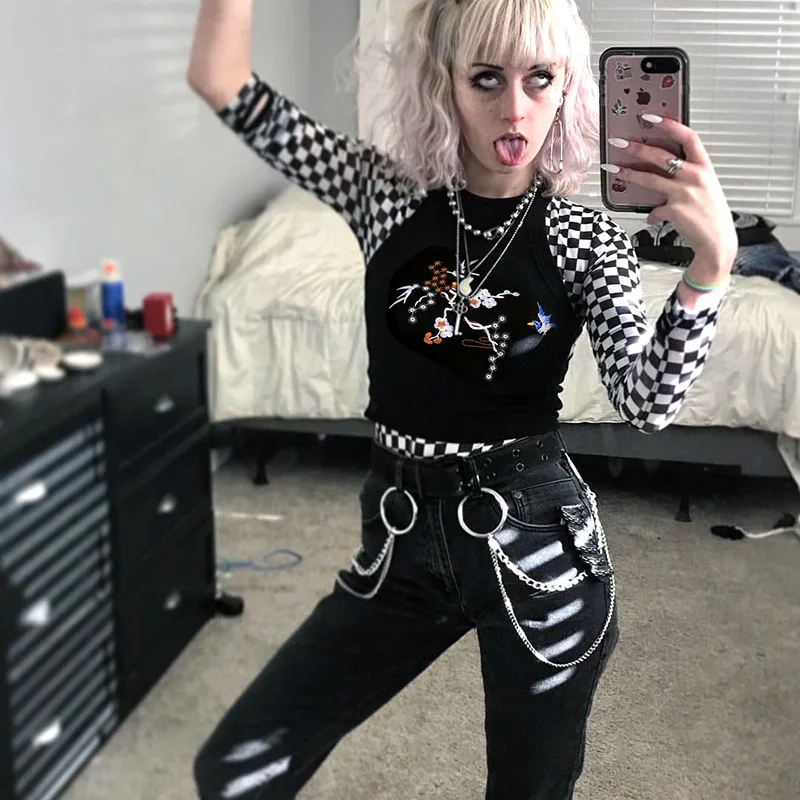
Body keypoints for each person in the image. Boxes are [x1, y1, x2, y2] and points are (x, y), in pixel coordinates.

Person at [188, 0, 737, 797]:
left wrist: (709, 270)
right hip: (398, 542)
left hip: (537, 548)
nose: (515, 110)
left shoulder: (587, 240)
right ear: (443, 82)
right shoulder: (382, 194)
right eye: (486, 79)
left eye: (539, 78)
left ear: (567, 86)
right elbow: (221, 79)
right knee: (236, 766)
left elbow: (647, 403)